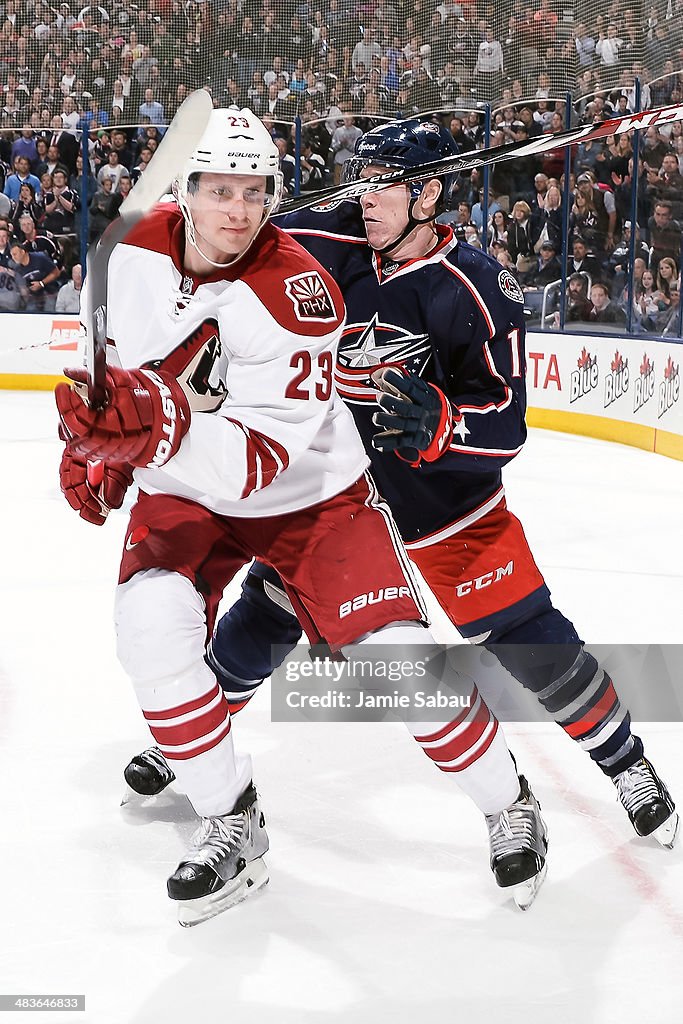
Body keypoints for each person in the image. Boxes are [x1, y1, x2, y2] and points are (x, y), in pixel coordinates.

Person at [123, 118, 677, 858]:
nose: (367, 196)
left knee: (525, 637)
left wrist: (442, 422)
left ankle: (626, 764)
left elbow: (507, 425)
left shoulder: (479, 286)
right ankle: (196, 740)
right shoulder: (326, 236)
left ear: (429, 196)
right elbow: (229, 233)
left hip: (443, 507)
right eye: (363, 179)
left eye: (384, 183)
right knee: (268, 612)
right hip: (336, 495)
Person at [55, 108, 549, 926]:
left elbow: (258, 461)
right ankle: (231, 821)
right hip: (184, 484)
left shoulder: (299, 293)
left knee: (403, 670)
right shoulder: (123, 253)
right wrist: (89, 444)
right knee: (148, 631)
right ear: (186, 191)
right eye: (220, 190)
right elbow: (100, 371)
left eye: (254, 193)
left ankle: (507, 797)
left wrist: (151, 431)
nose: (237, 211)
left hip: (311, 496)